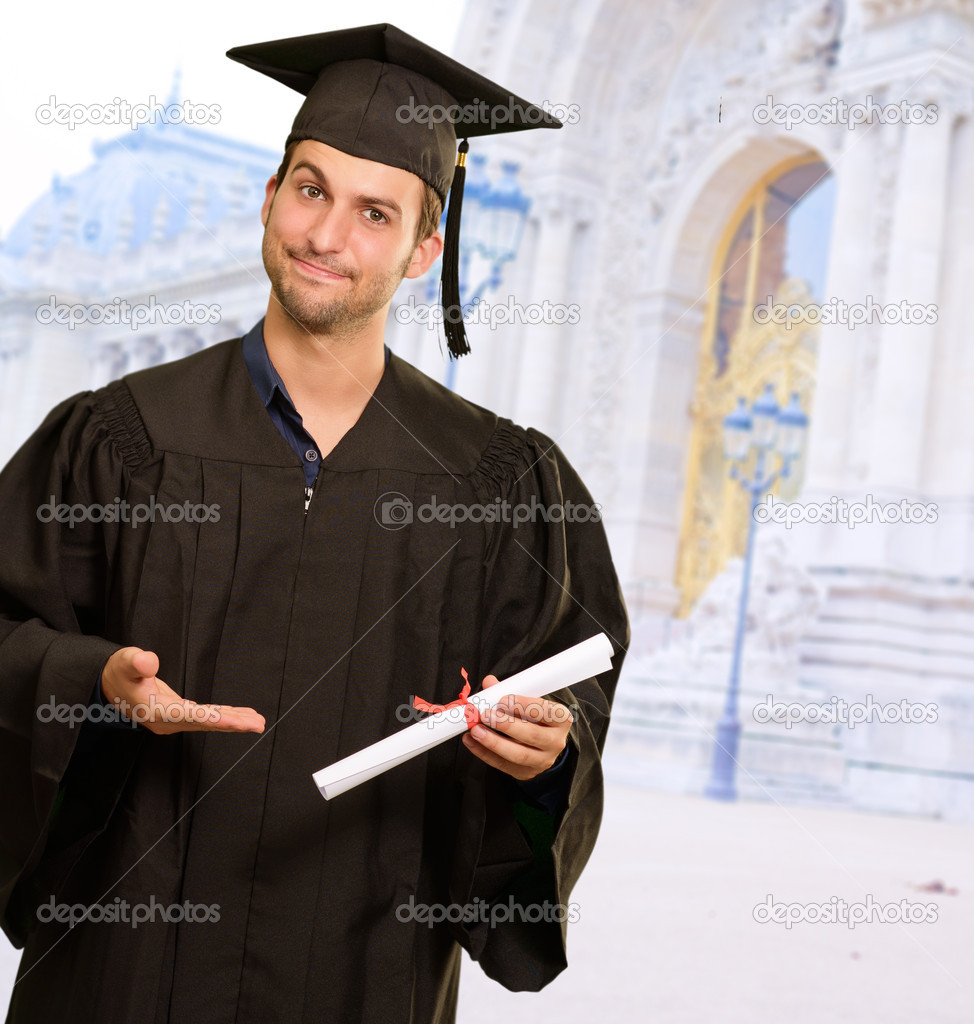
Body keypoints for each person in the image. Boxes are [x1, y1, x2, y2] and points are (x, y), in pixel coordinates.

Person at [1, 23, 629, 1023]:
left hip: (362, 979)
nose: (326, 236)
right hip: (117, 980)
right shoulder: (116, 444)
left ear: (424, 250)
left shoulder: (499, 487)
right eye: (309, 188)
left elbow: (570, 704)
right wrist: (89, 679)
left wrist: (546, 757)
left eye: (374, 212)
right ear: (269, 195)